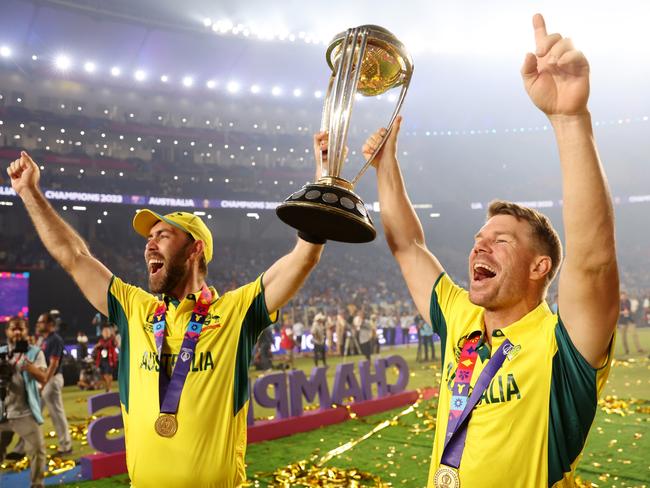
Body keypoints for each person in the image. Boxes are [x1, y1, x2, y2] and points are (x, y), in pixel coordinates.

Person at [363, 14, 618, 487]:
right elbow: (408, 245)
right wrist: (385, 167)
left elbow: (594, 261)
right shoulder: (460, 316)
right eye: (479, 240)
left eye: (500, 242)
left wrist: (569, 119)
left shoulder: (563, 345)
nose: (480, 246)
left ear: (541, 266)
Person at [6, 136, 325, 486]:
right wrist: (30, 193)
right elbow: (74, 256)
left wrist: (324, 177)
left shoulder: (236, 311)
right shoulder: (134, 308)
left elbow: (304, 256)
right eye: (149, 237)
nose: (149, 244)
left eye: (162, 235)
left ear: (194, 249)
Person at [0, 317, 47, 487]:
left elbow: (43, 377)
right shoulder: (1, 351)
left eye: (21, 329)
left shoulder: (35, 352)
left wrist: (31, 368)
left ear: (27, 331)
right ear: (7, 332)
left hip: (25, 413)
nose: (17, 332)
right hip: (2, 412)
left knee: (38, 451)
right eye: (13, 329)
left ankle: (36, 484)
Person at [36, 312, 73, 455]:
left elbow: (53, 364)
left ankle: (66, 446)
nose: (38, 324)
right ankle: (25, 447)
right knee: (34, 413)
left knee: (56, 414)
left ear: (50, 324)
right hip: (44, 380)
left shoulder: (55, 339)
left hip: (51, 379)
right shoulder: (44, 340)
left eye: (42, 322)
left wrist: (44, 382)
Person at [94, 323, 119, 391]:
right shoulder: (101, 341)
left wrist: (113, 334)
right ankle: (107, 388)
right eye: (104, 332)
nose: (105, 333)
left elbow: (115, 344)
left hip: (109, 360)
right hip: (102, 360)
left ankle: (109, 388)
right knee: (103, 375)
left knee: (108, 375)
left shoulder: (112, 339)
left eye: (107, 331)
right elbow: (96, 348)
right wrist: (96, 347)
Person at [619, 291, 645, 355]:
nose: (624, 297)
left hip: (629, 320)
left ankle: (639, 349)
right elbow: (616, 312)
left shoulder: (628, 301)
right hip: (622, 322)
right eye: (622, 296)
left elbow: (631, 310)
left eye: (625, 295)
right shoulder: (617, 303)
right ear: (620, 296)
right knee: (623, 337)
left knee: (634, 334)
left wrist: (629, 311)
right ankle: (626, 350)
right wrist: (622, 312)